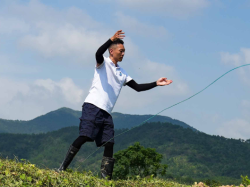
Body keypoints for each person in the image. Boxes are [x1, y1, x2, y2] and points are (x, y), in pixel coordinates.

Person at [56, 30, 172, 178]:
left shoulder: (122, 73)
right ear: (112, 51)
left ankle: (106, 179)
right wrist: (110, 39)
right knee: (85, 136)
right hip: (92, 106)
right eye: (121, 51)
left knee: (109, 143)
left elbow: (137, 87)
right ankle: (62, 168)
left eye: (124, 52)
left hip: (106, 112)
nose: (123, 54)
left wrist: (156, 83)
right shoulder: (103, 63)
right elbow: (97, 53)